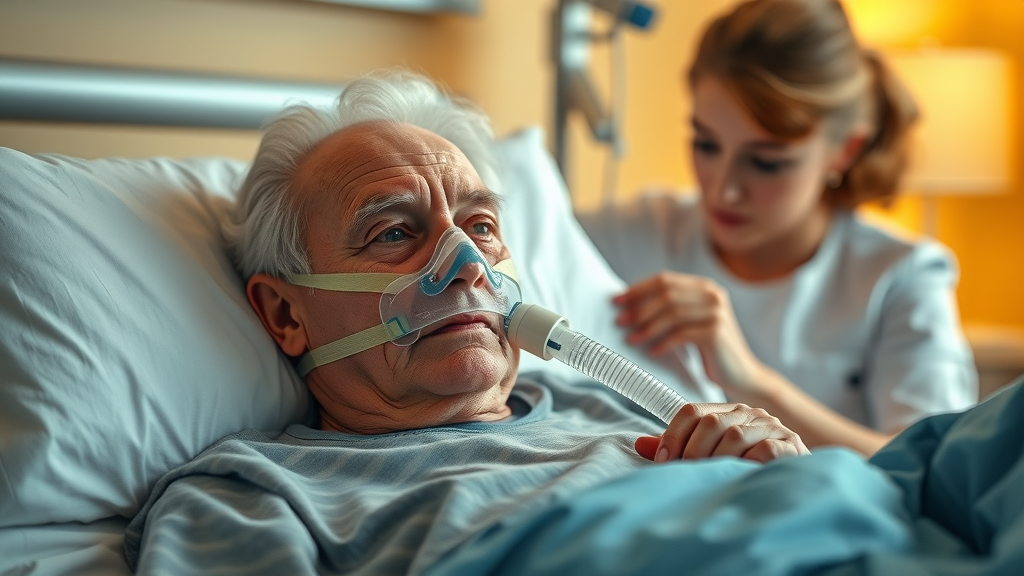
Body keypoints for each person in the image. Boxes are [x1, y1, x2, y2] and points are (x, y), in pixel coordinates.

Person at [122, 69, 1023, 576]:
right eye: (394, 231)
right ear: (284, 313)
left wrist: (778, 461)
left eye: (479, 226)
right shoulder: (250, 493)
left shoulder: (612, 402)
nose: (464, 267)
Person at [577, 0, 977, 456]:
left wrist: (751, 380)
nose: (723, 191)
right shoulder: (630, 233)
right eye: (706, 145)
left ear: (843, 152)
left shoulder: (901, 276)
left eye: (766, 162)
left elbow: (933, 467)